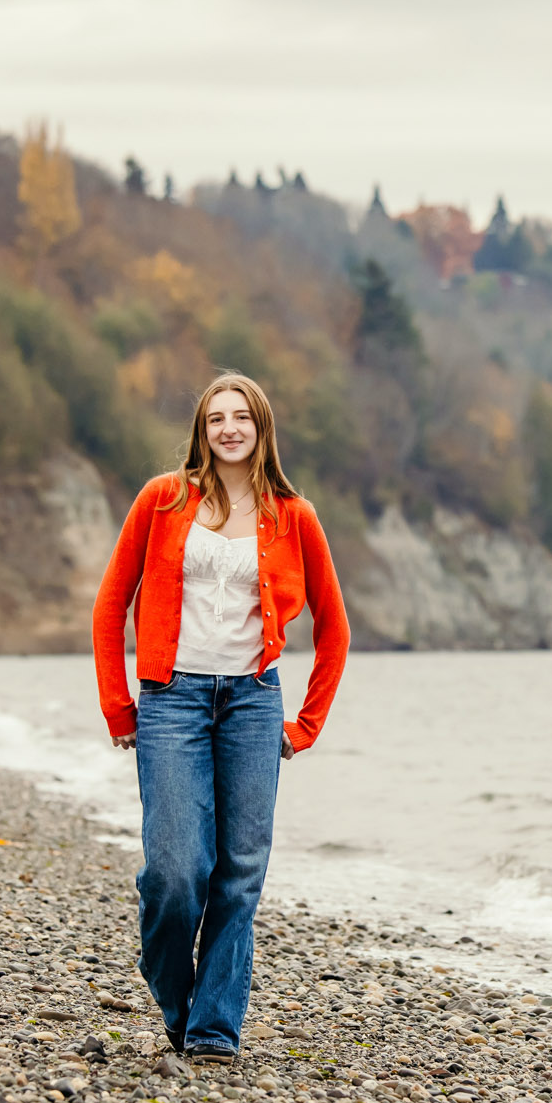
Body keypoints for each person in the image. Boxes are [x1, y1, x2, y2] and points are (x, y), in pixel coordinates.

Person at [92, 372, 350, 1061]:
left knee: (239, 870)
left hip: (252, 703)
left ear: (262, 428)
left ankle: (212, 1026)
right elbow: (110, 603)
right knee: (176, 869)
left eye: (242, 416)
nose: (229, 428)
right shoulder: (161, 498)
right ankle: (177, 997)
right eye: (216, 418)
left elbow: (334, 627)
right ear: (202, 430)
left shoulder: (295, 515)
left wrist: (305, 724)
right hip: (170, 699)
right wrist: (119, 705)